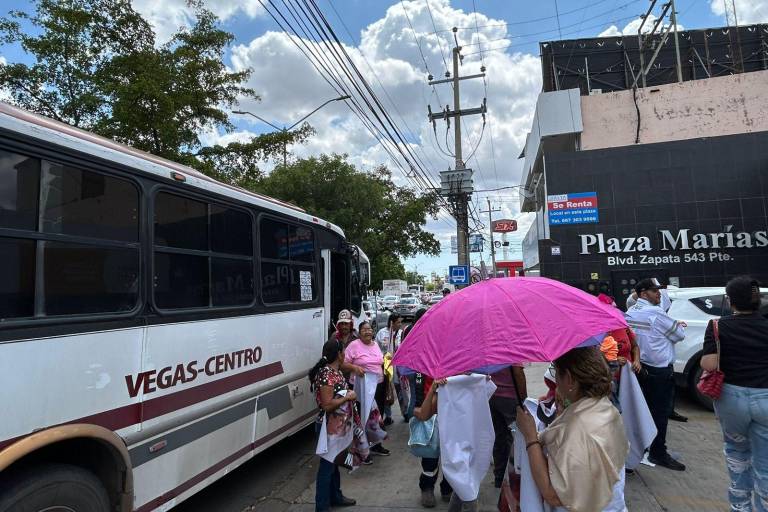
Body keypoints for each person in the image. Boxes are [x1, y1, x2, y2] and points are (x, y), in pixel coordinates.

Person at [516, 347, 629, 512]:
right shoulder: (603, 406)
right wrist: (563, 412)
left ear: (569, 379)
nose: (555, 380)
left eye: (557, 372)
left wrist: (530, 436)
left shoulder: (578, 428)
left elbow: (555, 495)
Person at [700, 276, 768, 512]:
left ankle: (740, 507)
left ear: (730, 301)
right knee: (765, 462)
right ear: (758, 300)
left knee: (737, 452)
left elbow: (709, 364)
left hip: (732, 399)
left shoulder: (718, 326)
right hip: (766, 399)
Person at [625, 278, 687, 471]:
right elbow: (679, 335)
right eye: (654, 290)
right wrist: (675, 325)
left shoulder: (630, 312)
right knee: (659, 414)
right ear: (643, 294)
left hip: (640, 368)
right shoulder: (656, 313)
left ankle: (638, 451)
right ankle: (658, 452)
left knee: (640, 413)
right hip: (659, 371)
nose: (659, 294)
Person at [309, 340, 358, 512]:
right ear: (338, 354)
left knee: (335, 462)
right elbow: (327, 405)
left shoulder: (334, 371)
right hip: (327, 428)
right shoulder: (326, 374)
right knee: (327, 467)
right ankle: (322, 506)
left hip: (337, 427)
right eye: (343, 351)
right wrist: (347, 397)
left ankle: (336, 496)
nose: (345, 354)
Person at [345, 322, 391, 457]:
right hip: (361, 387)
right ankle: (361, 449)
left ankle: (376, 445)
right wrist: (354, 368)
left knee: (376, 417)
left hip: (378, 385)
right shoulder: (354, 345)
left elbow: (380, 362)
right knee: (362, 417)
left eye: (370, 329)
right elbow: (343, 363)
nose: (367, 332)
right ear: (359, 332)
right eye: (364, 329)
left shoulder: (375, 344)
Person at [410, 371, 453, 507]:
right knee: (430, 458)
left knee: (451, 456)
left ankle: (448, 488)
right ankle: (427, 488)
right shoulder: (425, 361)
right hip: (429, 411)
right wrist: (418, 407)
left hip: (453, 412)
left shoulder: (459, 359)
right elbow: (418, 385)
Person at [489, 366, 527, 488]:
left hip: (492, 395)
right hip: (510, 397)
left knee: (499, 437)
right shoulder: (511, 347)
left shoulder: (489, 346)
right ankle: (515, 476)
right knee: (517, 438)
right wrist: (523, 398)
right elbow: (518, 371)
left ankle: (499, 478)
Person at [376, 314, 404, 424]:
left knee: (400, 388)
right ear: (391, 322)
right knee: (386, 389)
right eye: (398, 322)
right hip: (384, 365)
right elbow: (377, 348)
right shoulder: (382, 333)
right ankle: (387, 416)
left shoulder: (401, 333)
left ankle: (405, 411)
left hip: (397, 365)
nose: (400, 324)